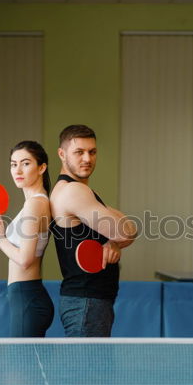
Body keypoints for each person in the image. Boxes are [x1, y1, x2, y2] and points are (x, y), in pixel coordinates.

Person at [50, 124, 136, 337]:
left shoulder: (84, 191)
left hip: (90, 301)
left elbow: (127, 228)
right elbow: (126, 231)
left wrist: (114, 242)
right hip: (86, 303)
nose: (87, 158)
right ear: (62, 154)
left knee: (91, 369)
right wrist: (118, 236)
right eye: (79, 152)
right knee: (86, 369)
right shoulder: (74, 191)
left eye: (92, 151)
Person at [0, 141, 54, 337]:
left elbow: (25, 259)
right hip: (26, 297)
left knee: (22, 367)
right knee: (28, 366)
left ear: (42, 167)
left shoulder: (35, 204)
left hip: (27, 297)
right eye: (13, 164)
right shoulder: (34, 203)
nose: (18, 170)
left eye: (25, 163)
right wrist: (2, 236)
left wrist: (0, 239)